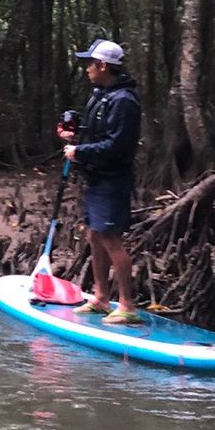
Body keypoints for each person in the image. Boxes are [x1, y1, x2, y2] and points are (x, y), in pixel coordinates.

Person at [57, 38, 142, 326]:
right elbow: (96, 133)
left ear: (103, 65)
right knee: (94, 236)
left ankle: (128, 306)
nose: (86, 70)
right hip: (95, 178)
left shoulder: (124, 101)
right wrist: (73, 135)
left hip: (112, 180)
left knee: (111, 239)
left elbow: (118, 146)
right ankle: (101, 298)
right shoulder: (102, 94)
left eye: (90, 64)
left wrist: (79, 152)